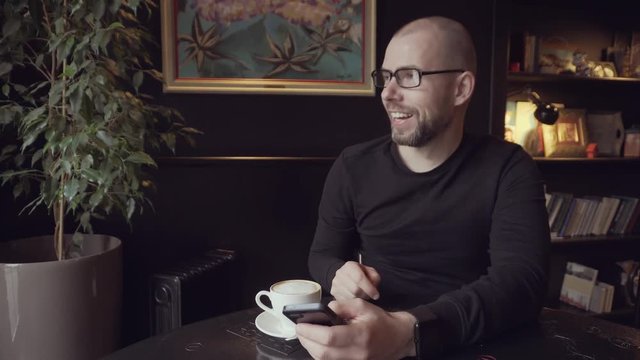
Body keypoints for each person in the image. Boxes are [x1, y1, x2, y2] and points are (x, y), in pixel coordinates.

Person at [295, 16, 550, 359]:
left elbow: (521, 283)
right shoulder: (353, 165)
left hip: (476, 343)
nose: (387, 93)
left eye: (408, 76)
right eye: (385, 77)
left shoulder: (509, 168)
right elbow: (322, 254)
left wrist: (409, 330)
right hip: (369, 337)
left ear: (461, 88)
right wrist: (336, 273)